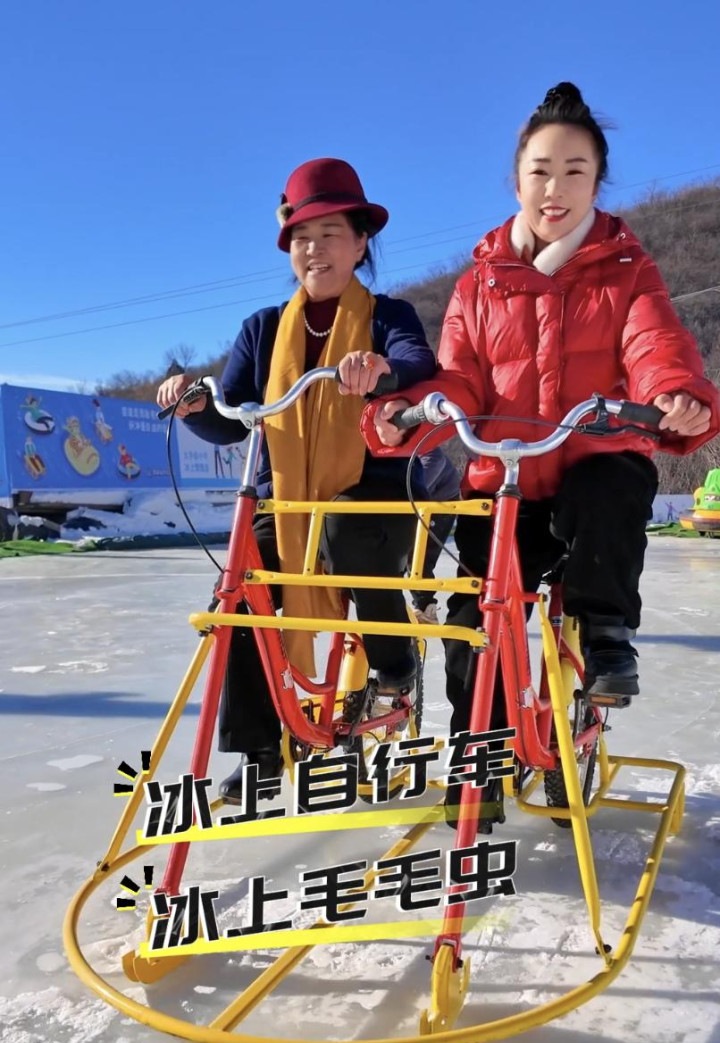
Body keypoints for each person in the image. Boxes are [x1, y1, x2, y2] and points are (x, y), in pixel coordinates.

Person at [365, 83, 720, 749]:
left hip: (595, 459)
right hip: (507, 482)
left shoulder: (627, 271)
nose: (555, 190)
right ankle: (484, 750)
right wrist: (412, 413)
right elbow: (460, 378)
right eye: (541, 172)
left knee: (609, 488)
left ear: (597, 183)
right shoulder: (479, 284)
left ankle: (607, 637)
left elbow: (655, 343)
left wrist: (674, 393)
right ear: (517, 180)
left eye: (575, 172)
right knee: (476, 617)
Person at [157, 158, 436, 803]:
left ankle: (394, 666)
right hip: (284, 499)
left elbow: (416, 361)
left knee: (347, 532)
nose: (315, 249)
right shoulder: (262, 329)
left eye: (331, 234)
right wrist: (197, 405)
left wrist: (381, 370)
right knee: (242, 586)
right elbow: (233, 416)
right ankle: (259, 750)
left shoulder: (388, 315)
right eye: (302, 237)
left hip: (371, 488)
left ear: (360, 243)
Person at [409, 448, 460, 624]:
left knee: (419, 556)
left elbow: (416, 490)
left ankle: (426, 609)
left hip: (441, 504)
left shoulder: (430, 454)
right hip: (421, 504)